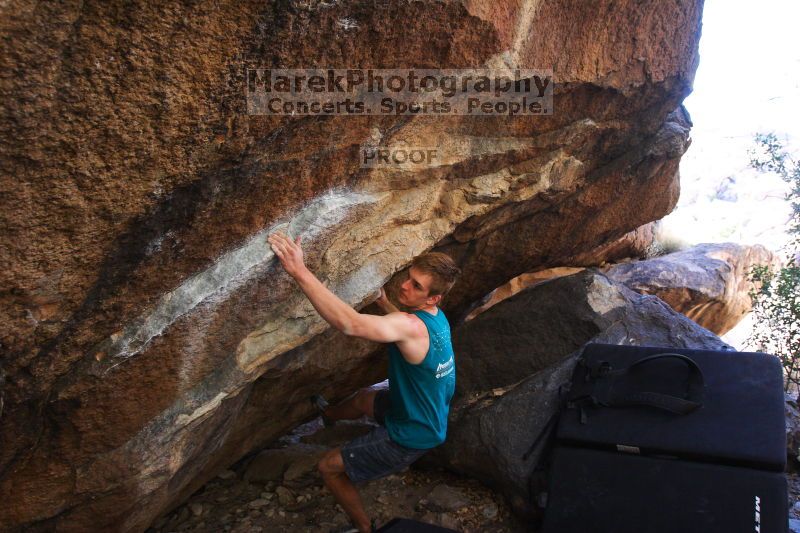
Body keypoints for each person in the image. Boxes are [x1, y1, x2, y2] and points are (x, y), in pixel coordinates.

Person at [267, 232, 460, 533]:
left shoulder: (411, 326)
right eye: (409, 277)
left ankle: (364, 528)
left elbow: (351, 324)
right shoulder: (436, 317)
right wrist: (385, 304)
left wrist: (299, 271)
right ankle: (328, 415)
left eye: (416, 286)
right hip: (421, 411)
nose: (404, 286)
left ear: (433, 297)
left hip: (411, 434)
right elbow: (406, 329)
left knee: (328, 468)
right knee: (364, 399)